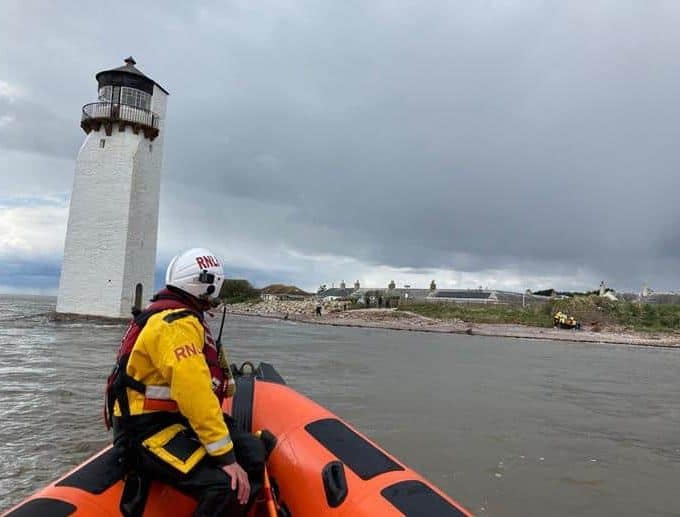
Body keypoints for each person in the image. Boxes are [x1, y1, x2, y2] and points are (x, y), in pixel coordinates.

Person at [105, 248, 266, 516]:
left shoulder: (175, 317)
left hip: (173, 419)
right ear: (208, 284)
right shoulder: (176, 325)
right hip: (144, 430)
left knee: (252, 451)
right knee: (225, 486)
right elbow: (194, 392)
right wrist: (225, 458)